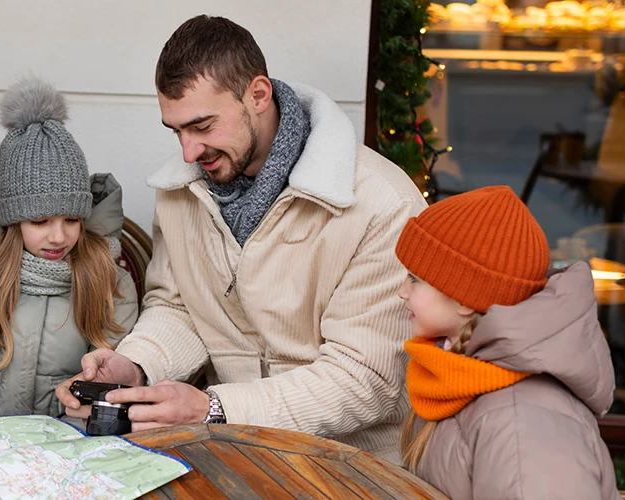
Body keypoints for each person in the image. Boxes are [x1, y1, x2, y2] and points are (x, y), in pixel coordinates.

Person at [56, 15, 425, 461]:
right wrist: (135, 365)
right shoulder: (181, 191)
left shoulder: (383, 202)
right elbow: (180, 308)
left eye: (203, 126)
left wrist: (213, 408)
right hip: (233, 452)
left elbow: (365, 380)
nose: (189, 152)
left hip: (351, 465)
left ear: (258, 95)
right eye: (177, 131)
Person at [0, 77, 138, 418]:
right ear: (12, 221)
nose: (58, 236)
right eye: (39, 222)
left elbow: (110, 389)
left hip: (71, 452)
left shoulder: (110, 284)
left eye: (71, 220)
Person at [396, 186, 618, 499]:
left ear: (464, 297)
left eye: (415, 279)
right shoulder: (454, 376)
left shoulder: (520, 420)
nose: (402, 291)